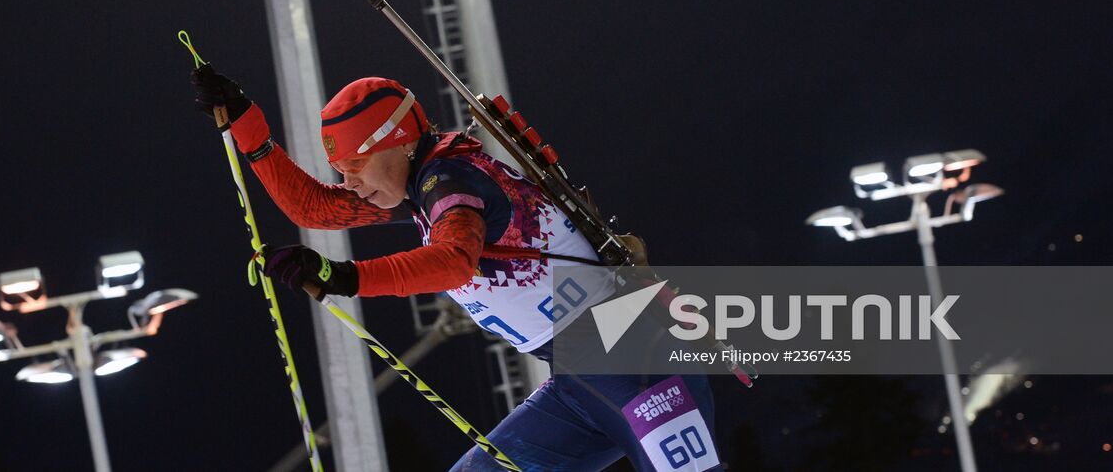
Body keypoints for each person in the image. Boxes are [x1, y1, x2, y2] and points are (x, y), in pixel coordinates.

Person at [192, 67, 722, 471]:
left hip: (633, 359)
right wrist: (246, 123)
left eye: (354, 166)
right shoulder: (420, 189)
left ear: (398, 141)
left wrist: (344, 278)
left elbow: (454, 259)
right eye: (339, 170)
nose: (348, 182)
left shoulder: (447, 178)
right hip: (580, 380)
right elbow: (315, 209)